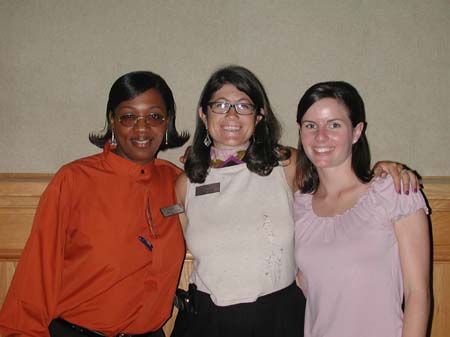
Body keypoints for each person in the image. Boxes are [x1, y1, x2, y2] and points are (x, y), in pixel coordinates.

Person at [171, 65, 417, 337]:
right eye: (220, 105)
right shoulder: (185, 184)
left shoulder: (287, 165)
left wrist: (384, 169)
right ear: (203, 115)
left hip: (278, 316)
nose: (231, 114)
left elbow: (338, 177)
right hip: (206, 321)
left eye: (243, 105)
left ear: (259, 116)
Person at [0, 71, 189, 337]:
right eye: (128, 116)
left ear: (167, 121)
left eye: (155, 117)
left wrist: (209, 159)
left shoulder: (175, 182)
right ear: (112, 121)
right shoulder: (74, 180)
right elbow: (37, 273)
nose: (142, 128)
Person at [294, 81, 430, 337]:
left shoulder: (393, 192)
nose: (320, 136)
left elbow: (417, 294)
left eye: (334, 124)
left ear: (357, 132)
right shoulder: (299, 205)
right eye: (310, 126)